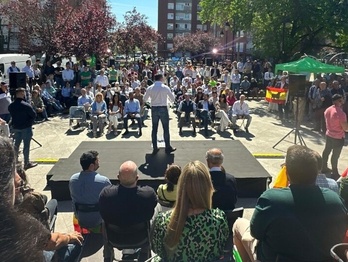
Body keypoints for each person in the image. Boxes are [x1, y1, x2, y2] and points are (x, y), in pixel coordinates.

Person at [233, 145, 347, 262]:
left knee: (238, 224)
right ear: (316, 172)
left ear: (287, 173)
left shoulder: (271, 199)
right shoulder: (335, 201)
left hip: (274, 258)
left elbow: (255, 232)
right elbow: (340, 235)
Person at [0, 137, 84, 262]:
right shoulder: (20, 225)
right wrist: (68, 237)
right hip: (42, 246)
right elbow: (51, 243)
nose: (17, 177)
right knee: (75, 244)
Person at [151, 161, 229, 262]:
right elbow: (221, 248)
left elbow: (158, 250)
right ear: (208, 188)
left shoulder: (163, 220)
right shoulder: (219, 219)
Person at [99, 160, 158, 262]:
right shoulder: (148, 194)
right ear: (137, 178)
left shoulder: (106, 194)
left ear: (118, 177)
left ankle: (107, 255)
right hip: (141, 238)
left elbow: (102, 213)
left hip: (113, 239)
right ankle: (145, 252)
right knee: (155, 213)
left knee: (104, 222)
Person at [69, 151, 111, 229]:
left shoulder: (73, 180)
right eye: (97, 161)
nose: (99, 163)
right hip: (99, 220)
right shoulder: (103, 181)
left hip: (80, 218)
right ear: (91, 166)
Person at [143, 74, 176, 154]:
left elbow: (144, 99)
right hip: (163, 108)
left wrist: (151, 102)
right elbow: (172, 99)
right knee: (166, 128)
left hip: (154, 108)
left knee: (154, 129)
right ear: (161, 78)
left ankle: (155, 147)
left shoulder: (150, 88)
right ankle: (167, 147)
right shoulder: (165, 87)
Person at [8, 88, 37, 170]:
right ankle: (26, 163)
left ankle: (15, 162)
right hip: (26, 128)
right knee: (26, 146)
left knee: (16, 145)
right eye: (23, 93)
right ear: (21, 93)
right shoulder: (26, 105)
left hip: (16, 128)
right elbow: (33, 115)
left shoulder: (11, 106)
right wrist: (29, 123)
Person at [322, 94, 348, 180]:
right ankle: (335, 172)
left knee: (326, 151)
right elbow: (346, 128)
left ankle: (323, 167)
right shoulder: (341, 113)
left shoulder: (328, 109)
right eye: (341, 100)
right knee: (335, 156)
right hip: (338, 136)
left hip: (329, 134)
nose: (342, 102)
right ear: (337, 101)